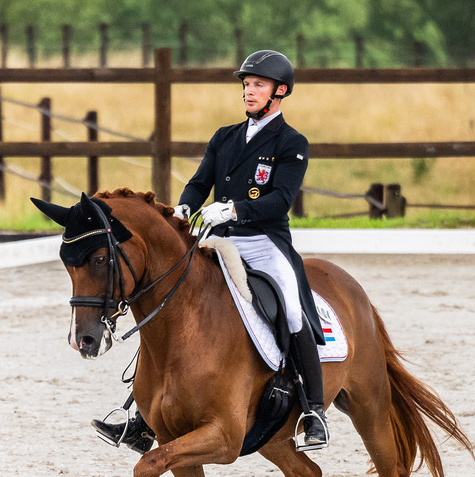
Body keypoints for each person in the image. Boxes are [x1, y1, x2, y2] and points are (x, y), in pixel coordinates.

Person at [93, 49, 330, 453]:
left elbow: (281, 200)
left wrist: (236, 207)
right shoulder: (225, 137)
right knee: (170, 301)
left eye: (257, 85)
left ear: (280, 91)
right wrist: (185, 205)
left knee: (291, 307)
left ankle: (313, 411)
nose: (249, 91)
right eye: (246, 85)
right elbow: (201, 181)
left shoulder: (292, 143)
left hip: (263, 242)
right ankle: (142, 417)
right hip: (219, 240)